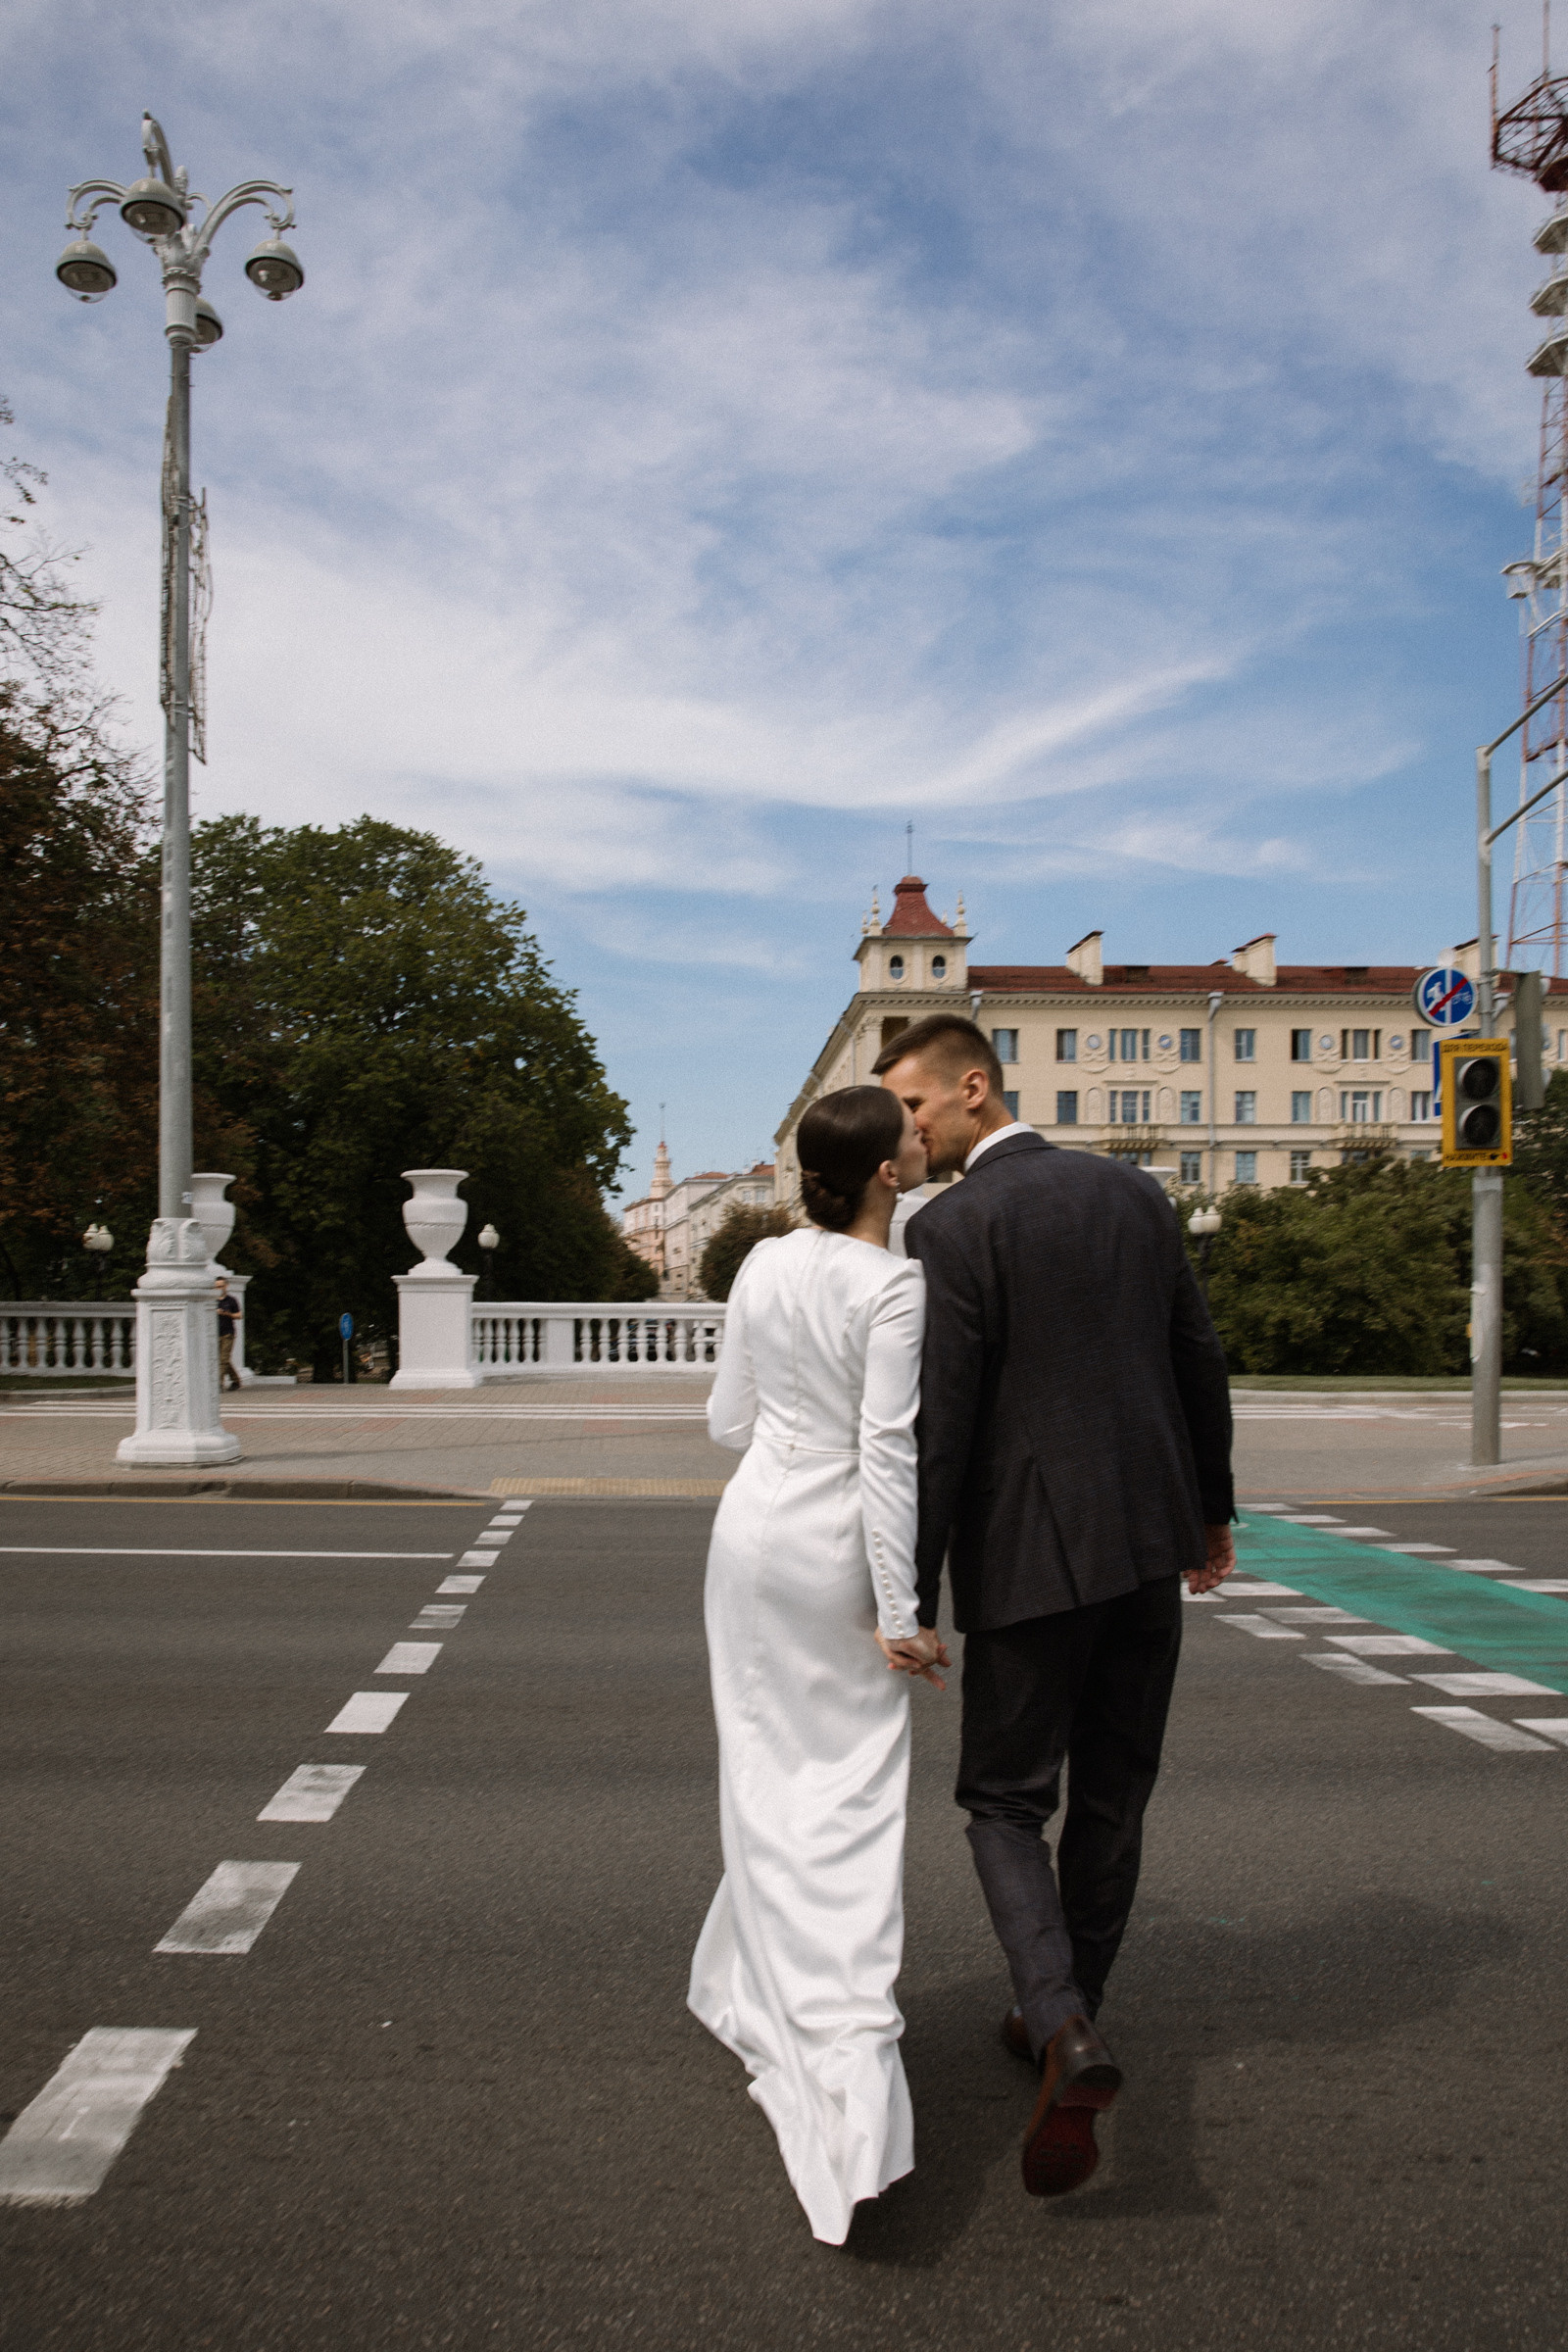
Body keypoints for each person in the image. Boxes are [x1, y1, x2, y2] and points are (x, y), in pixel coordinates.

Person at [874, 1013, 1235, 2201]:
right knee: (1116, 1792)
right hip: (1146, 1544)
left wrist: (910, 1585)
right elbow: (1196, 1358)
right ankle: (1061, 2026)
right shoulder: (1134, 1197)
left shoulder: (954, 1225)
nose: (906, 1130)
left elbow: (947, 1423)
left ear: (973, 1090)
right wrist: (1211, 1511)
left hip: (1031, 1553)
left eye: (916, 1108)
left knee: (1001, 1801)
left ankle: (1060, 2020)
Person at [689, 1085, 946, 2244]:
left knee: (764, 1772)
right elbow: (888, 1453)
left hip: (749, 1536)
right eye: (912, 1130)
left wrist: (792, 1435)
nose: (925, 1133)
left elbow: (725, 1421)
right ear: (888, 1173)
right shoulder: (892, 1283)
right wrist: (904, 1608)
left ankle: (761, 1990)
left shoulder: (760, 1268)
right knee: (842, 1796)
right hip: (836, 1544)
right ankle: (838, 2069)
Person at [215, 1277, 242, 1393]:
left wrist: (227, 1314)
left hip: (228, 1333)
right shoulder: (212, 1301)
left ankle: (218, 1384)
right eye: (217, 1286)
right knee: (222, 1359)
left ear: (226, 1286)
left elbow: (239, 1315)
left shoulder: (231, 1300)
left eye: (221, 1286)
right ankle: (236, 1380)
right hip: (215, 1333)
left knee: (223, 1359)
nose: (219, 1289)